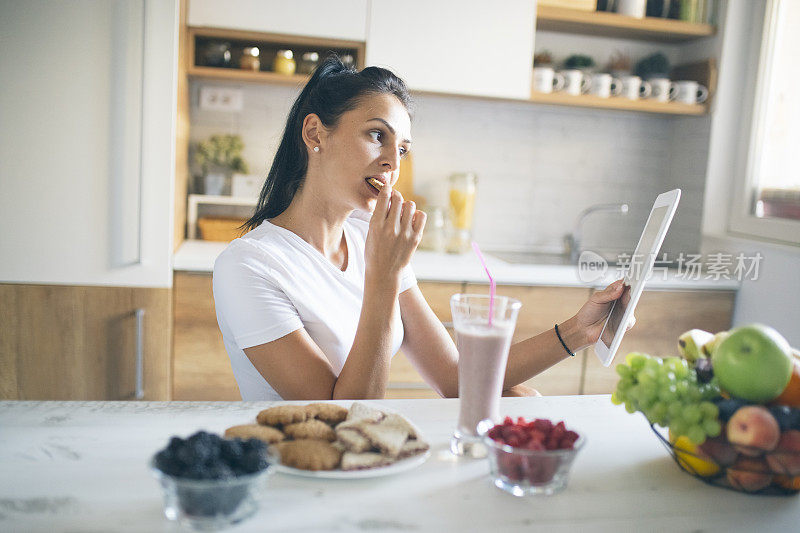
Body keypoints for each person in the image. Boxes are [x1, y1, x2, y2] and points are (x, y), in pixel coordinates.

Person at [213, 55, 628, 401]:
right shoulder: (249, 266)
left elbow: (453, 376)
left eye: (403, 150)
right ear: (315, 133)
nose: (393, 163)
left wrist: (578, 331)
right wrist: (383, 276)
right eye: (378, 135)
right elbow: (341, 419)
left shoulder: (366, 238)